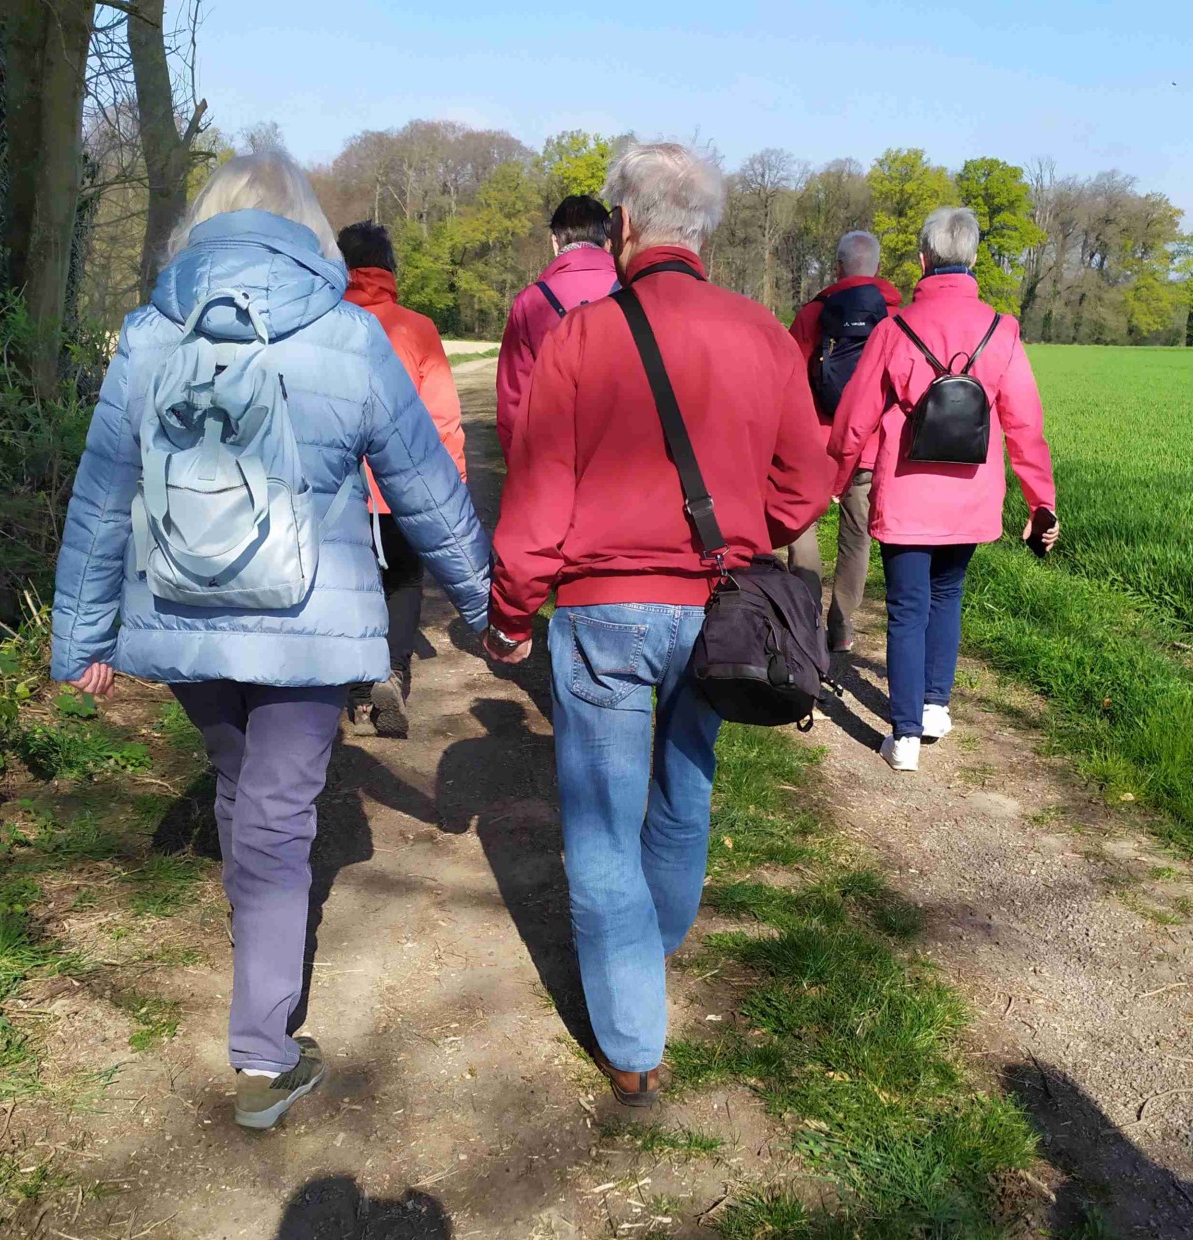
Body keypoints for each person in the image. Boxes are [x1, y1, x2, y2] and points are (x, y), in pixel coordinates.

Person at [49, 146, 491, 1129]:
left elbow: (103, 495)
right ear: (306, 232)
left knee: (242, 787)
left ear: (203, 225)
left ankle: (258, 960)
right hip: (306, 624)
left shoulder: (149, 334)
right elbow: (425, 487)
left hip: (183, 612)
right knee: (280, 815)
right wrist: (488, 602)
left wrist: (81, 636)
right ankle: (263, 1051)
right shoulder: (348, 334)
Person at [484, 143, 831, 1107]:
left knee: (602, 826)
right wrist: (746, 524)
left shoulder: (580, 338)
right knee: (685, 787)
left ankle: (634, 1041)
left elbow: (537, 497)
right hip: (718, 609)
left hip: (602, 609)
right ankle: (652, 948)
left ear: (624, 225)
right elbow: (806, 483)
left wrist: (511, 611)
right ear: (702, 230)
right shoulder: (763, 334)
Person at [828, 205, 1057, 775]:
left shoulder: (895, 328)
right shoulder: (1002, 329)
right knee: (947, 596)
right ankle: (934, 708)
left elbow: (855, 418)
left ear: (923, 259)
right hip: (971, 495)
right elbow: (1026, 423)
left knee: (907, 608)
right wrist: (1040, 501)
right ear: (973, 258)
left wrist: (836, 478)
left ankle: (904, 736)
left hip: (907, 493)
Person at [336, 220, 469, 738]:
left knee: (347, 584)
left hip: (335, 492)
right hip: (402, 487)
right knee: (404, 578)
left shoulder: (321, 322)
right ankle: (393, 672)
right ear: (389, 269)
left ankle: (356, 691)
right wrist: (452, 487)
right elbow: (442, 419)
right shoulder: (417, 329)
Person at [783, 230, 903, 653]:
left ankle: (806, 616)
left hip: (815, 443)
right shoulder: (895, 316)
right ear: (878, 268)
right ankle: (842, 622)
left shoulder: (812, 313)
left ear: (837, 267)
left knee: (801, 525)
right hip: (868, 445)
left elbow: (790, 378)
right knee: (857, 535)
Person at [494, 194, 618, 454]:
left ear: (555, 242)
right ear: (608, 242)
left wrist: (521, 466)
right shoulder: (634, 289)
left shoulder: (530, 302)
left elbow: (513, 401)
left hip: (553, 454)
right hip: (623, 458)